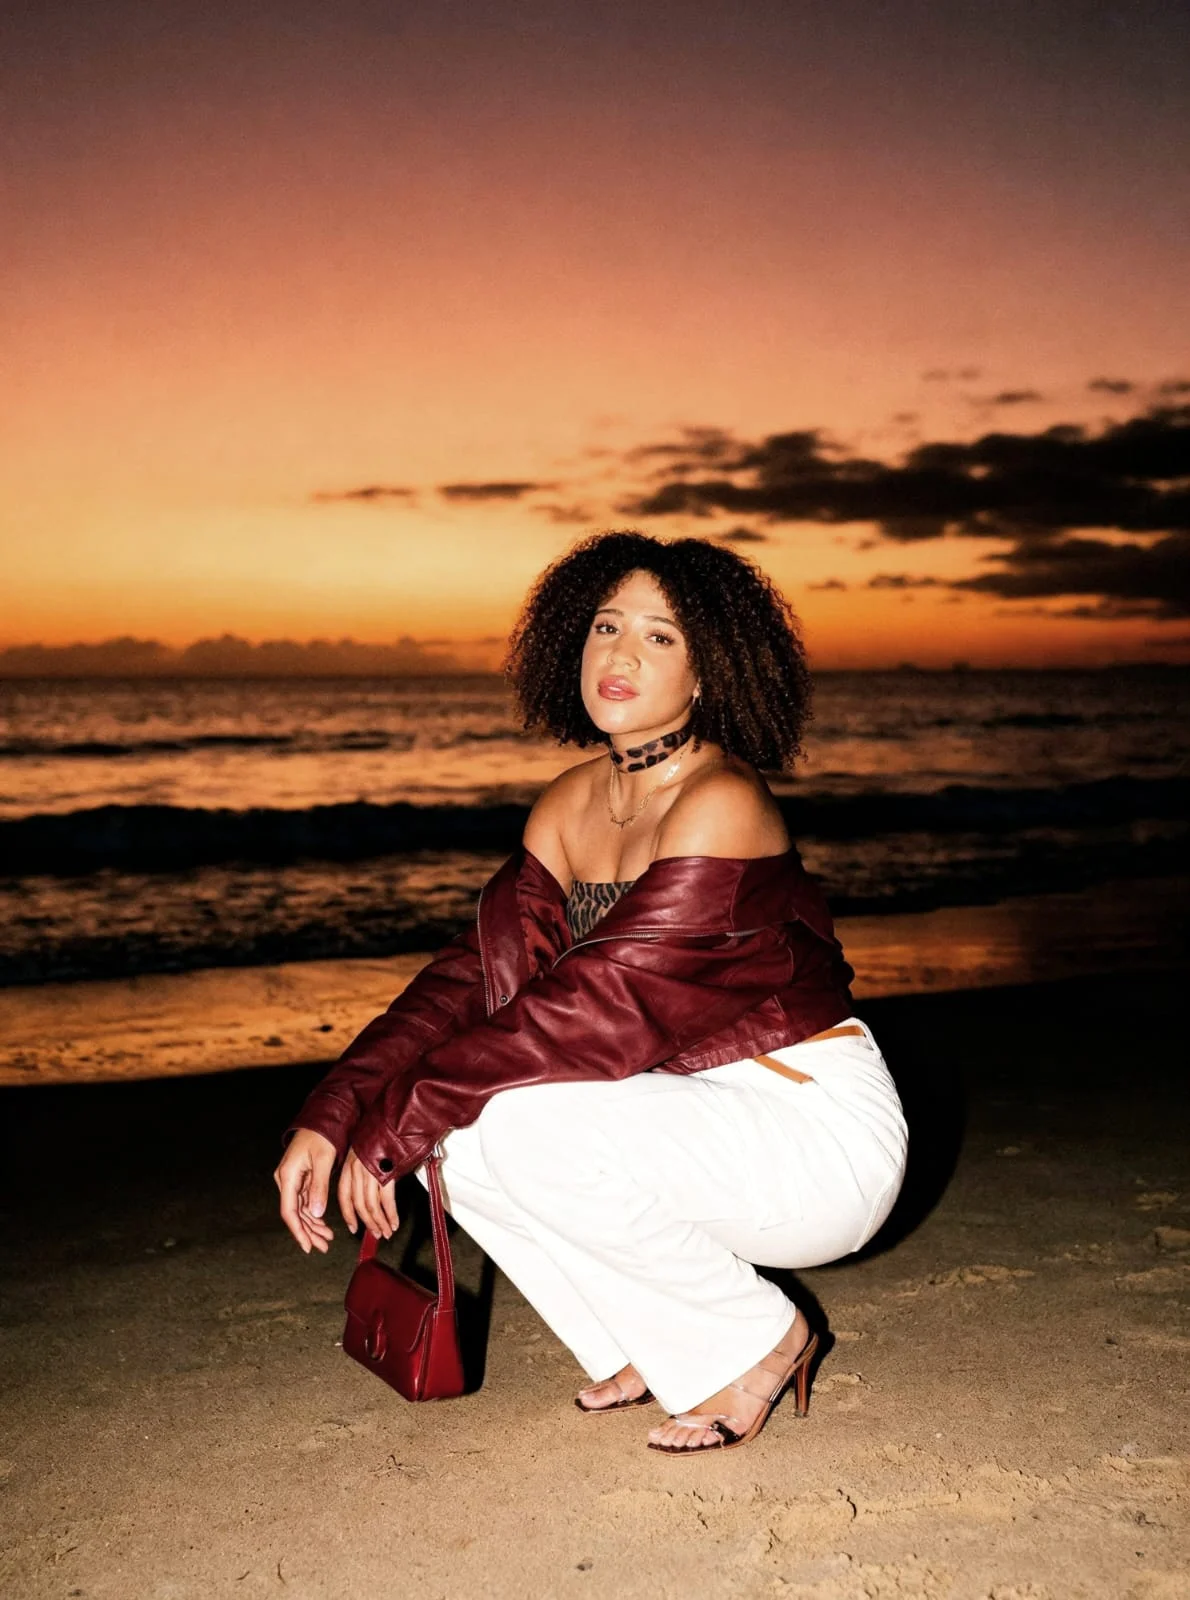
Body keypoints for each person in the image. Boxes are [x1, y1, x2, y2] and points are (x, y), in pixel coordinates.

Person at [276, 530, 907, 1455]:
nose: (621, 654)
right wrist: (337, 1112)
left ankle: (759, 1340)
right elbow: (471, 977)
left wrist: (399, 1117)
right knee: (459, 1138)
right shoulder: (570, 802)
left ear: (707, 671)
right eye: (607, 626)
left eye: (660, 636)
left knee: (513, 1118)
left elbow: (597, 1011)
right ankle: (645, 1344)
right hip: (681, 1114)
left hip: (809, 1132)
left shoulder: (723, 803)